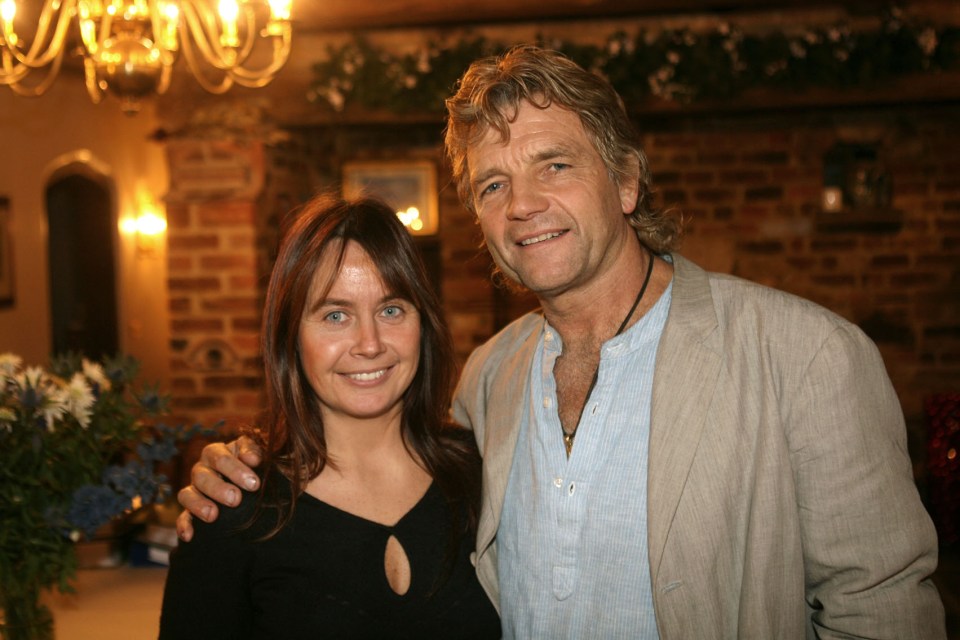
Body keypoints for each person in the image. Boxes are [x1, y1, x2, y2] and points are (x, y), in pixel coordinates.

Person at [177, 46, 946, 638]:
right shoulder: (488, 379)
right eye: (491, 184)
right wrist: (239, 461)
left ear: (626, 183)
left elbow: (879, 606)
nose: (524, 205)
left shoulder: (805, 358)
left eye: (554, 164)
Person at [159, 195, 500, 639]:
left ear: (424, 324)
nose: (370, 343)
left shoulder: (480, 477)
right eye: (336, 315)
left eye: (391, 310)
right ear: (290, 339)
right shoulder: (234, 510)